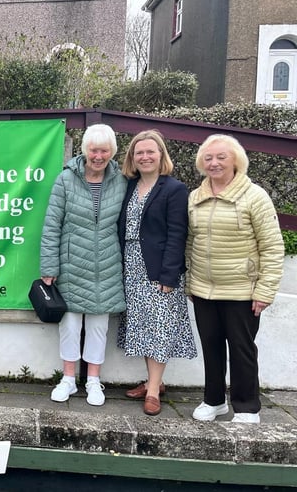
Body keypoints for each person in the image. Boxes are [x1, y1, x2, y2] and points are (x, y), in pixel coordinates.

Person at [186, 134, 284, 424]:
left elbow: (272, 246)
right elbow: (190, 243)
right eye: (208, 158)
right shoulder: (196, 197)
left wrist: (265, 290)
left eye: (221, 157)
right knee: (211, 346)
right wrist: (191, 281)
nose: (214, 163)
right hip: (204, 289)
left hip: (242, 290)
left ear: (236, 161)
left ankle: (246, 406)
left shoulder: (255, 196)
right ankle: (213, 400)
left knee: (242, 349)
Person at [40, 123, 127, 406]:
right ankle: (68, 379)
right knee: (70, 323)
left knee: (99, 325)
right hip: (71, 263)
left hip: (107, 264)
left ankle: (93, 381)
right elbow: (52, 225)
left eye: (104, 150)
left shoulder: (121, 181)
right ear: (85, 151)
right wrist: (49, 267)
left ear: (112, 152)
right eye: (94, 150)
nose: (98, 156)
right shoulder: (65, 180)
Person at [116, 130, 196, 416]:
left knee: (160, 327)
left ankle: (152, 392)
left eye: (151, 152)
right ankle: (155, 381)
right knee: (143, 326)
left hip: (159, 268)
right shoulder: (128, 186)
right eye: (139, 153)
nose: (145, 156)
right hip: (132, 266)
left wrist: (169, 275)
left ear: (161, 155)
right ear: (132, 158)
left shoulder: (174, 189)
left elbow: (177, 234)